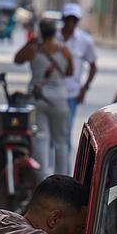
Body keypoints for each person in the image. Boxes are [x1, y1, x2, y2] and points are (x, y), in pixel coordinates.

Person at [14, 19, 74, 179]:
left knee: (40, 138)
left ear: (40, 32)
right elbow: (70, 72)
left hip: (37, 98)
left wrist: (30, 42)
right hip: (59, 99)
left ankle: (41, 178)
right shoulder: (64, 50)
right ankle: (63, 178)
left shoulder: (34, 50)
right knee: (61, 142)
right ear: (55, 32)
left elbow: (17, 59)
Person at [59, 3, 98, 147]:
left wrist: (85, 88)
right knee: (47, 133)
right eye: (68, 19)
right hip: (49, 92)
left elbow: (93, 66)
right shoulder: (53, 36)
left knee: (65, 131)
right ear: (63, 19)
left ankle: (64, 161)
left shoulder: (85, 40)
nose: (70, 22)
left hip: (71, 93)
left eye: (74, 20)